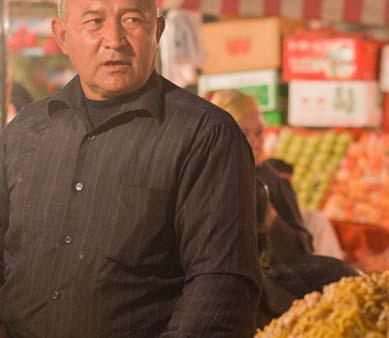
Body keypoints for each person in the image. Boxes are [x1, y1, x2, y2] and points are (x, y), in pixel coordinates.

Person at [0, 1, 261, 337]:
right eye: (94, 21)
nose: (115, 39)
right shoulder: (24, 131)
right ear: (62, 36)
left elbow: (222, 285)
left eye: (133, 19)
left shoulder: (205, 135)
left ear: (159, 31)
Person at [209, 90, 358, 328]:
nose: (256, 143)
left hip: (275, 301)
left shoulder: (272, 181)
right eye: (244, 134)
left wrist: (271, 220)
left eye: (260, 133)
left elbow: (304, 246)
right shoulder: (207, 178)